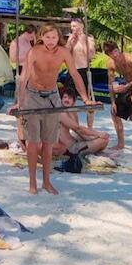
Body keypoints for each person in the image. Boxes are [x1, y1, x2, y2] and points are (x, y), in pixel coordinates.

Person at [18, 24, 92, 195]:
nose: (51, 41)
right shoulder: (34, 52)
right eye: (47, 37)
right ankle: (32, 182)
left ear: (58, 38)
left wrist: (86, 98)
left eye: (54, 38)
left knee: (48, 142)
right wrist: (19, 102)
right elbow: (24, 77)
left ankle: (46, 181)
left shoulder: (64, 52)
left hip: (52, 96)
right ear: (41, 37)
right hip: (33, 95)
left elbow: (74, 74)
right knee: (32, 142)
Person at [102, 41, 132, 152]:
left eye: (116, 51)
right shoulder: (110, 63)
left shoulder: (129, 58)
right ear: (108, 55)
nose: (115, 55)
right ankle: (120, 144)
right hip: (127, 86)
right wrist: (113, 102)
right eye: (112, 53)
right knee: (114, 112)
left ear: (118, 49)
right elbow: (111, 83)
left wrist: (128, 85)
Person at [53, 83, 109, 157]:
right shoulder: (61, 113)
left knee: (102, 139)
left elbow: (79, 132)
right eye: (65, 97)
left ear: (74, 102)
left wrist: (93, 137)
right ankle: (85, 151)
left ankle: (92, 148)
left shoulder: (72, 112)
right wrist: (98, 134)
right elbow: (78, 129)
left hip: (73, 141)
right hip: (69, 149)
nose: (67, 100)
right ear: (61, 99)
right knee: (102, 141)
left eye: (69, 98)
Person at [66, 18, 96, 128]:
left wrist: (82, 41)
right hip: (72, 70)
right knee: (69, 100)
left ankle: (90, 127)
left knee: (89, 101)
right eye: (72, 26)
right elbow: (65, 54)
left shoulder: (89, 39)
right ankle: (73, 126)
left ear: (81, 26)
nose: (73, 29)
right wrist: (70, 43)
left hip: (84, 70)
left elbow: (90, 56)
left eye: (75, 26)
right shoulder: (70, 38)